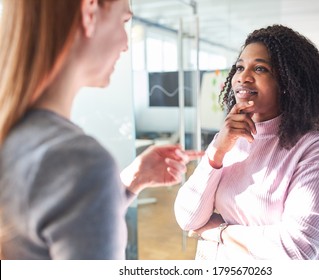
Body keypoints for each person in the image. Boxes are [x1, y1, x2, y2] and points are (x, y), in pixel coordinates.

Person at [0, 0, 202, 260]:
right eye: (123, 21)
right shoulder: (77, 161)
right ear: (90, 12)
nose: (125, 44)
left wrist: (131, 183)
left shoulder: (17, 140)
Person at [174, 24, 319, 260]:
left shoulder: (313, 146)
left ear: (288, 82)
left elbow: (298, 250)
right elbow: (188, 219)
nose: (243, 78)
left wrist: (218, 231)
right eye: (239, 67)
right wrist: (216, 154)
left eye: (260, 68)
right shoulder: (229, 138)